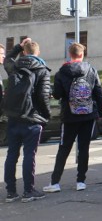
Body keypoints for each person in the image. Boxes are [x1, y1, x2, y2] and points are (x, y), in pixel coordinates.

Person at [43, 42, 102, 194]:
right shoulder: (91, 70)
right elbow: (98, 93)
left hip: (69, 116)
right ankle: (81, 181)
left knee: (64, 149)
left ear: (70, 54)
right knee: (84, 149)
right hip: (88, 115)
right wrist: (100, 113)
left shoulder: (62, 72)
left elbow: (57, 94)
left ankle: (55, 182)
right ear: (82, 54)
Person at [3, 38, 51, 203]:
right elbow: (44, 97)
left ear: (24, 52)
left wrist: (19, 46)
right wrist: (46, 115)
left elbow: (7, 59)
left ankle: (10, 192)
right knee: (29, 155)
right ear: (38, 53)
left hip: (13, 117)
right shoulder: (42, 70)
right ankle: (28, 191)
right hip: (32, 118)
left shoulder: (14, 67)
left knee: (11, 155)